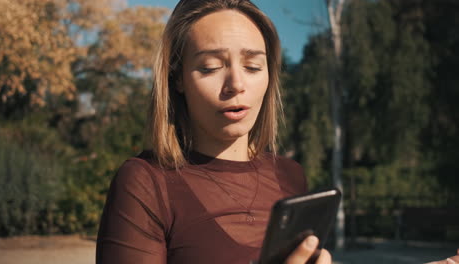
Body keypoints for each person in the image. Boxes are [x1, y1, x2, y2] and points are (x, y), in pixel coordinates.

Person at [96, 0, 331, 263]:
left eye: (253, 66)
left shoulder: (290, 176)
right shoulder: (145, 181)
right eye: (210, 67)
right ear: (178, 78)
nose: (236, 84)